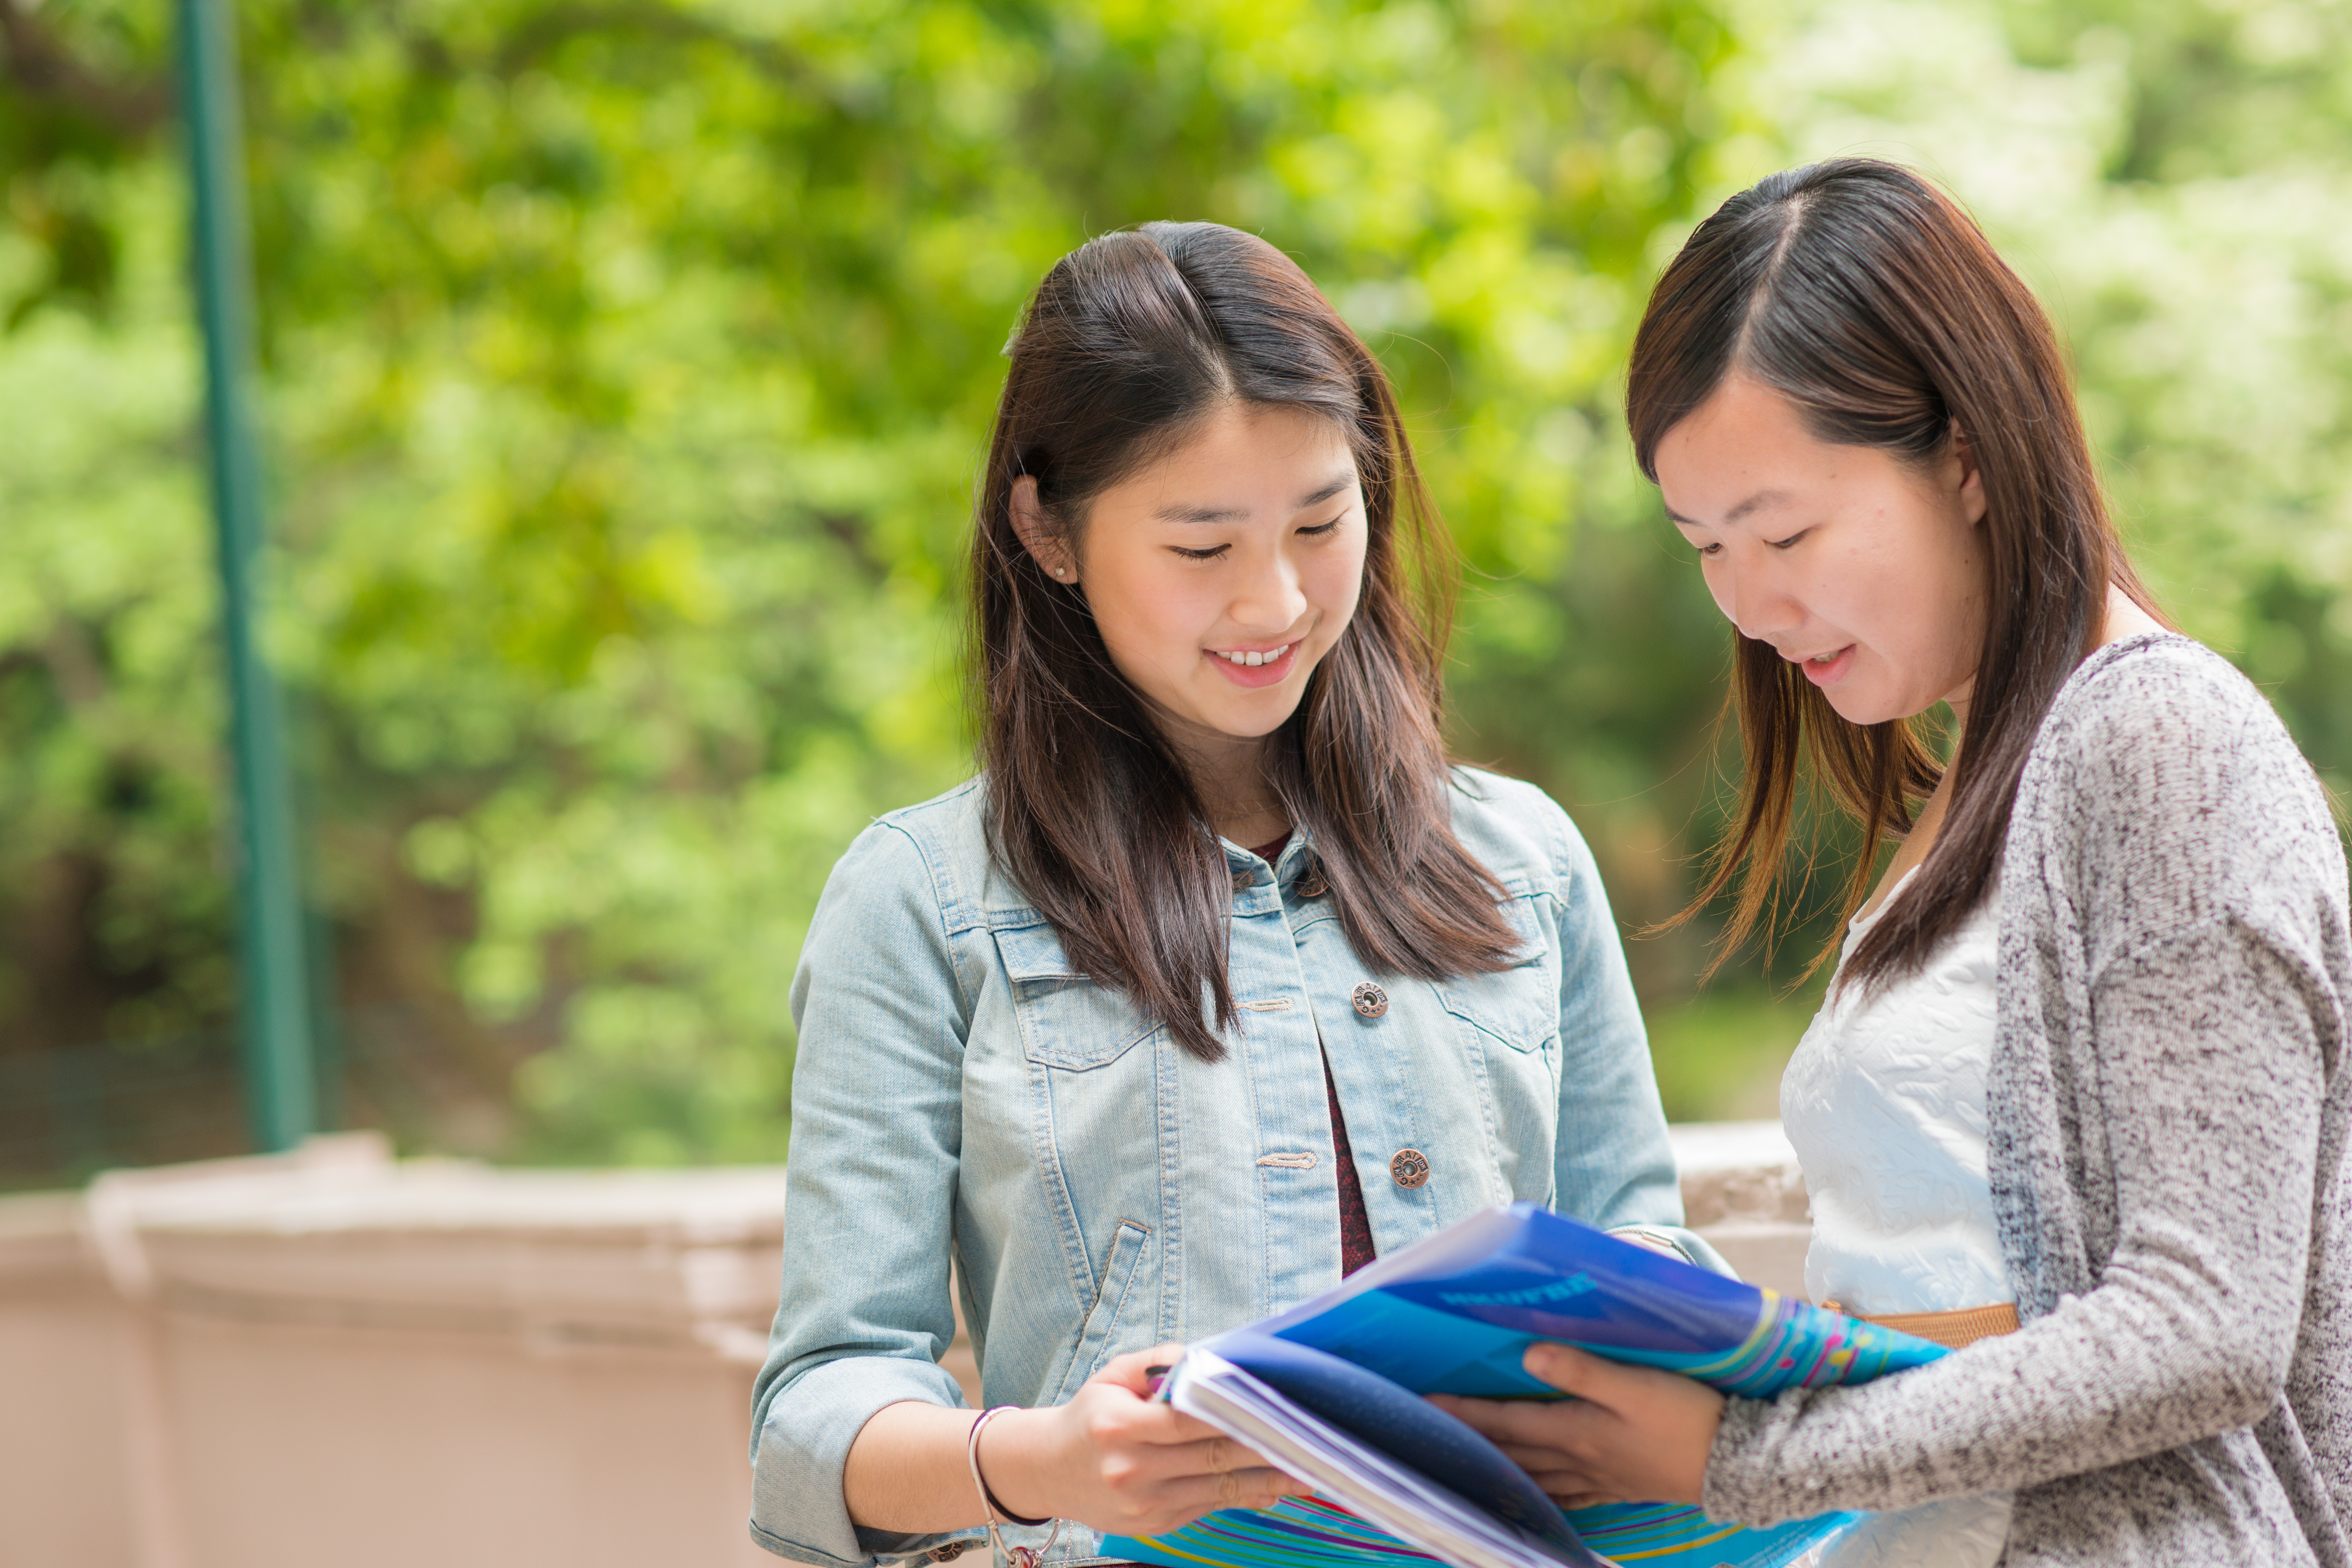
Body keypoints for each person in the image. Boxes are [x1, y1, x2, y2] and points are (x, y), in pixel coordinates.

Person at [748, 221, 1720, 1568]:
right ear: (1048, 530)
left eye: (1322, 522)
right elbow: (817, 1412)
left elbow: (1637, 1259)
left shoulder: (1524, 860)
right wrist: (1043, 1463)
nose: (1276, 600)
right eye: (1202, 549)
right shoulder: (923, 902)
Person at [1435, 158, 2352, 1566]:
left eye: (1788, 532)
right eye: (1707, 548)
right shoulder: (1986, 781)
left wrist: (1748, 1454)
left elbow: (2206, 1323)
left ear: (1969, 456)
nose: (1751, 603)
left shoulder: (2163, 743)